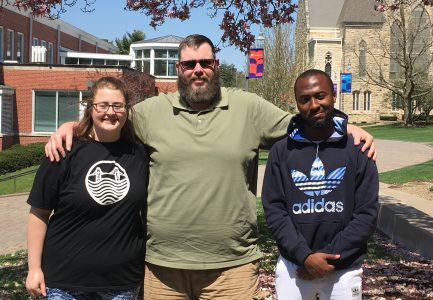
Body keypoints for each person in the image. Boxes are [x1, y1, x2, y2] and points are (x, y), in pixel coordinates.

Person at [45, 35, 376, 299]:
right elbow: (107, 120)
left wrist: (345, 127)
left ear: (216, 65)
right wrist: (70, 128)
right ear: (178, 69)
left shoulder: (247, 107)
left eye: (205, 62)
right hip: (163, 269)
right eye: (189, 64)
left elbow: (305, 120)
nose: (198, 70)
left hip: (232, 269)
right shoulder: (150, 113)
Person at [26, 77, 149, 299]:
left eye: (117, 106)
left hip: (121, 283)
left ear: (127, 110)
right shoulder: (64, 150)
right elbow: (39, 212)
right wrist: (34, 269)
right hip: (64, 283)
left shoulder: (139, 154)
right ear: (90, 108)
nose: (110, 112)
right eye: (102, 105)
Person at [262, 69, 379, 300]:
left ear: (333, 95)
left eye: (320, 95)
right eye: (304, 99)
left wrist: (327, 257)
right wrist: (304, 257)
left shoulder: (358, 150)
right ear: (297, 103)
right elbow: (275, 211)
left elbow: (367, 214)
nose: (313, 104)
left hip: (344, 269)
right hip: (293, 268)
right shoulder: (281, 151)